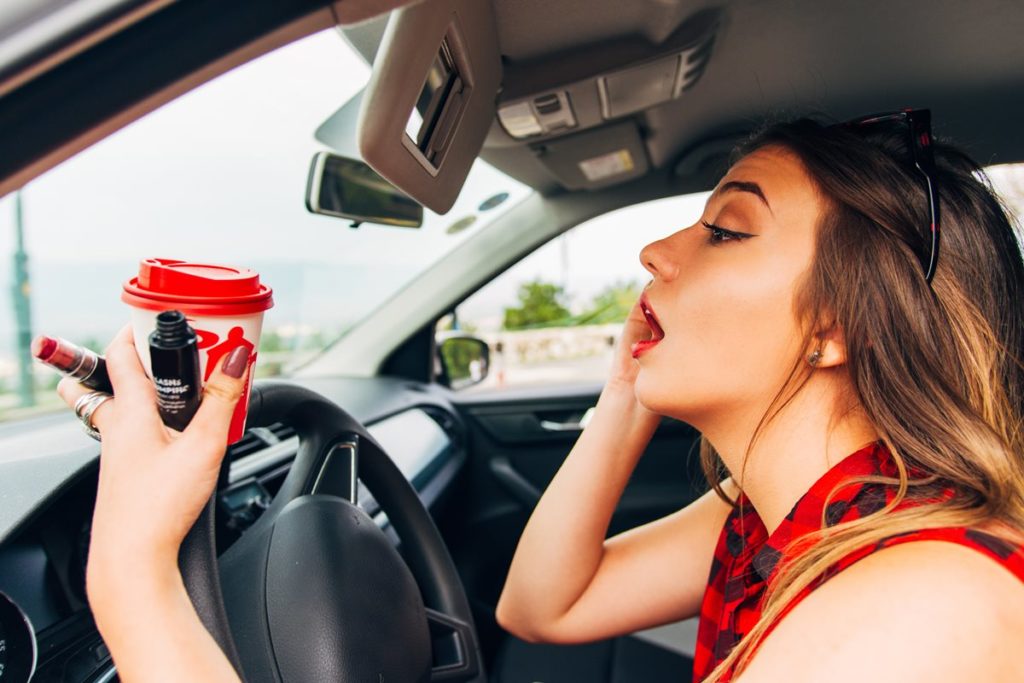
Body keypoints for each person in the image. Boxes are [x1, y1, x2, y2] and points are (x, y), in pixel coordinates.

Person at [60, 111, 1024, 682]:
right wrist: (627, 388)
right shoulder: (797, 516)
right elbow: (542, 606)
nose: (656, 253)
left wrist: (133, 572)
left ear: (837, 326)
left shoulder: (925, 605)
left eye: (728, 232)